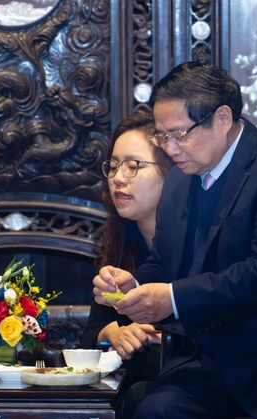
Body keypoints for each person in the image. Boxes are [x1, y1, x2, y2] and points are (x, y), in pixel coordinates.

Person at [93, 61, 257, 419]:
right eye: (162, 138)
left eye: (179, 135)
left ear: (222, 117)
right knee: (155, 417)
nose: (170, 150)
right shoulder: (178, 181)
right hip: (217, 354)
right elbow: (165, 262)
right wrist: (133, 284)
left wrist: (171, 298)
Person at [81, 112, 172, 386]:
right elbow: (90, 336)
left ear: (173, 170)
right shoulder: (118, 243)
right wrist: (115, 333)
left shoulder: (197, 241)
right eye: (113, 166)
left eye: (133, 166)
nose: (118, 178)